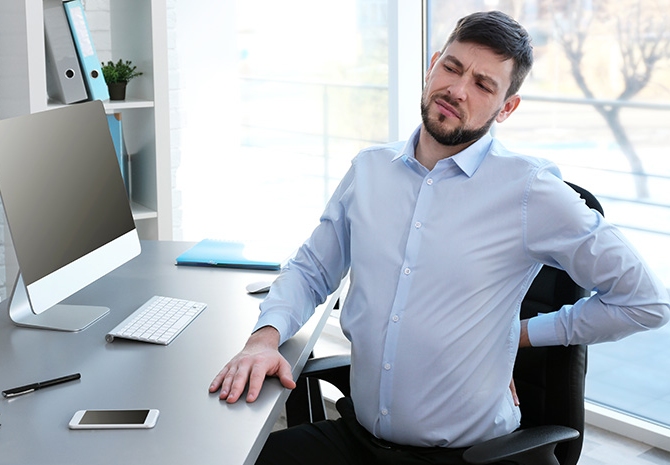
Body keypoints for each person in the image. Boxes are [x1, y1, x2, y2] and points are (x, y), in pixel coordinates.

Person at [210, 10, 670, 465]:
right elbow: (311, 269)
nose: (457, 90)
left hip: (468, 457)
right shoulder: (369, 170)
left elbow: (646, 301)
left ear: (507, 107)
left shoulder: (531, 191)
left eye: (483, 84)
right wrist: (264, 339)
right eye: (452, 67)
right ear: (432, 66)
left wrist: (521, 334)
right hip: (358, 438)